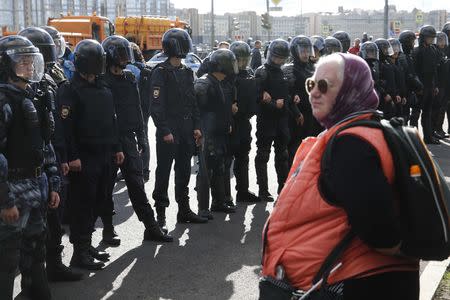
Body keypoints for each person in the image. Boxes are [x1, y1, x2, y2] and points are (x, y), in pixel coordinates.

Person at [260, 53, 419, 300]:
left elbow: (380, 231)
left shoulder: (352, 144)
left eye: (324, 86)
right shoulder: (358, 131)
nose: (314, 92)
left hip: (358, 285)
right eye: (311, 84)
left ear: (352, 90)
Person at [18, 26, 83, 282]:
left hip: (52, 156)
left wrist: (63, 156)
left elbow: (57, 123)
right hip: (25, 166)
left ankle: (53, 265)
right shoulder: (17, 88)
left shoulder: (49, 78)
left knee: (54, 216)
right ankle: (31, 275)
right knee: (27, 228)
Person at [0, 35, 61, 300]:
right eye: (20, 61)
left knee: (36, 251)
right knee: (6, 260)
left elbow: (44, 146)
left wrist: (52, 182)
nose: (27, 66)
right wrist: (4, 201)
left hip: (37, 188)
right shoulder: (4, 101)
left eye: (29, 60)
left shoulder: (33, 96)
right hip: (12, 191)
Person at [57, 39, 124, 270]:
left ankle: (87, 245)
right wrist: (72, 155)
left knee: (99, 201)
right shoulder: (69, 89)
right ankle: (80, 253)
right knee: (82, 205)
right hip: (84, 158)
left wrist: (117, 148)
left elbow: (112, 121)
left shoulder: (103, 88)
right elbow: (66, 128)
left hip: (105, 154)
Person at [101, 35, 173, 244]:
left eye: (126, 54)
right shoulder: (101, 82)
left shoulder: (130, 78)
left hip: (127, 138)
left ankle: (151, 227)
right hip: (107, 141)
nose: (125, 59)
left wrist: (141, 136)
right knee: (105, 189)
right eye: (121, 54)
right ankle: (108, 229)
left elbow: (138, 109)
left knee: (137, 184)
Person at [150, 28, 208, 230]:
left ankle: (184, 210)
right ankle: (161, 215)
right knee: (163, 173)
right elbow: (156, 106)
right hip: (169, 130)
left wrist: (197, 127)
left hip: (185, 129)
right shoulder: (160, 73)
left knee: (183, 171)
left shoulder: (186, 72)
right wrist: (165, 130)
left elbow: (193, 104)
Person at [195, 49, 238, 219]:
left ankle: (218, 202)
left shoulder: (221, 83)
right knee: (205, 171)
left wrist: (227, 124)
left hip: (220, 133)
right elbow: (196, 110)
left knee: (220, 168)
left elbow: (221, 108)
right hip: (207, 134)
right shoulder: (204, 83)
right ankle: (203, 208)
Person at [254, 39, 290, 202]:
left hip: (282, 120)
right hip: (266, 120)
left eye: (282, 58)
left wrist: (288, 101)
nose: (279, 61)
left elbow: (287, 94)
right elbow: (257, 97)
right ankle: (263, 189)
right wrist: (272, 103)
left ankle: (283, 187)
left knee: (282, 155)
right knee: (263, 154)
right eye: (277, 57)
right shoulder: (261, 72)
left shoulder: (283, 72)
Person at [228, 41, 260, 203]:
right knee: (225, 159)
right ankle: (224, 196)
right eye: (239, 60)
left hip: (244, 122)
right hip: (230, 122)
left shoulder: (249, 73)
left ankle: (242, 191)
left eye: (245, 59)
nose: (243, 63)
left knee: (243, 157)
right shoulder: (227, 75)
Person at [282, 35, 321, 167]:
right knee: (295, 150)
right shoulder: (289, 68)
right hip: (297, 117)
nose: (305, 54)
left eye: (307, 50)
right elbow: (288, 94)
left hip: (312, 114)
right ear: (295, 51)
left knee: (312, 149)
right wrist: (296, 112)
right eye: (302, 51)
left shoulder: (312, 67)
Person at [127, 42, 152, 181]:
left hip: (131, 108)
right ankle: (145, 169)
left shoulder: (129, 68)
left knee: (129, 139)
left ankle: (132, 168)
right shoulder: (145, 68)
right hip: (145, 108)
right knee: (144, 137)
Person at [412, 25, 441, 144]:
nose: (431, 40)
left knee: (427, 113)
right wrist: (418, 87)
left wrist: (436, 86)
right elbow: (414, 71)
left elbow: (435, 70)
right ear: (423, 37)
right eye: (429, 37)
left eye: (432, 38)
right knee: (415, 114)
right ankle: (415, 139)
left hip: (430, 86)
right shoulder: (416, 51)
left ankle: (428, 137)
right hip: (420, 87)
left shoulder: (433, 50)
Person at [398, 30, 424, 123]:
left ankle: (413, 133)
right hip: (406, 90)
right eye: (412, 42)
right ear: (407, 43)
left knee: (414, 113)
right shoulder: (403, 57)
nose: (414, 44)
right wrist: (419, 86)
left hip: (410, 90)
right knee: (405, 116)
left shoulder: (408, 55)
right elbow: (409, 75)